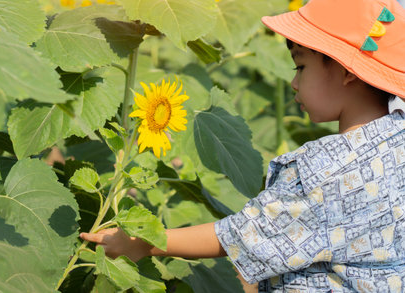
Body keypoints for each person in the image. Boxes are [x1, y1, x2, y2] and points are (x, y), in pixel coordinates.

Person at [81, 0, 405, 291]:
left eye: (301, 66)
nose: (293, 82)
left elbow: (240, 235)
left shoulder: (324, 171)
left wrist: (144, 243)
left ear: (347, 71)